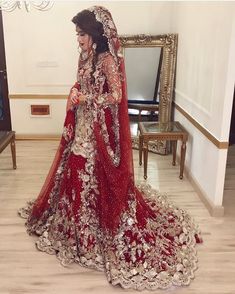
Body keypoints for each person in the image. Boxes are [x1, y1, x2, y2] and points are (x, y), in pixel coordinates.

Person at [19, 6, 202, 291]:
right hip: (82, 125)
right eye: (76, 34)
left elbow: (116, 96)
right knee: (74, 169)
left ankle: (95, 233)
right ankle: (75, 231)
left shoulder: (106, 60)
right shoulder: (84, 56)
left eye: (81, 34)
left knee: (91, 174)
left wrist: (86, 98)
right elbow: (80, 83)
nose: (77, 39)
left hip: (98, 131)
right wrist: (74, 93)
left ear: (93, 34)